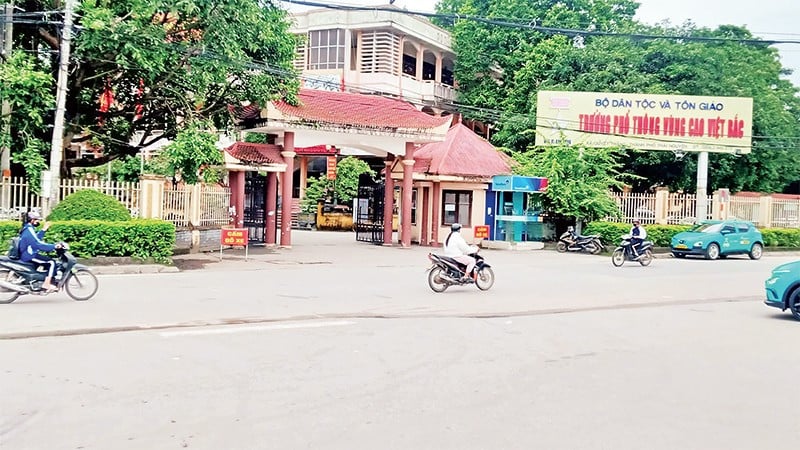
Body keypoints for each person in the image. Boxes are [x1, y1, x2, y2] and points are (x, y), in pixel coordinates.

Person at [18, 211, 60, 292]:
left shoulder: (28, 228)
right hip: (29, 255)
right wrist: (54, 246)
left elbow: (36, 239)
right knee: (51, 262)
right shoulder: (29, 229)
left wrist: (44, 229)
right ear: (32, 220)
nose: (38, 221)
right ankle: (46, 284)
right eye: (37, 220)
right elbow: (38, 244)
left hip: (28, 253)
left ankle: (41, 281)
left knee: (47, 262)